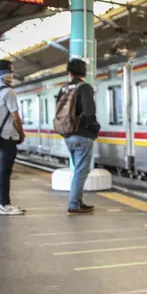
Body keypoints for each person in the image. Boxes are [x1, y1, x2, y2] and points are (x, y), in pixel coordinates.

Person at [58, 58, 100, 215]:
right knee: (81, 172)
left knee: (78, 170)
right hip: (82, 135)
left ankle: (78, 202)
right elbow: (89, 112)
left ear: (69, 73)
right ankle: (74, 204)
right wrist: (94, 130)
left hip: (68, 134)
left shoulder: (64, 88)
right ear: (84, 73)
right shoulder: (84, 87)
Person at [0, 59, 26, 216]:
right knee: (5, 171)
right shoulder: (8, 92)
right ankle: (4, 204)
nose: (13, 74)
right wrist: (21, 133)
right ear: (6, 73)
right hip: (7, 136)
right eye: (11, 71)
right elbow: (16, 117)